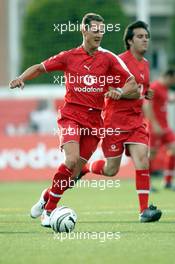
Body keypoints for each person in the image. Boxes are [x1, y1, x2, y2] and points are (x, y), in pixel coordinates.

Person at [9, 13, 137, 227]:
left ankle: (46, 197)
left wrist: (120, 91)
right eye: (95, 29)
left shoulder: (108, 59)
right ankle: (48, 212)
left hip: (95, 121)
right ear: (84, 30)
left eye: (102, 30)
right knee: (70, 160)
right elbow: (40, 68)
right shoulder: (69, 57)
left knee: (73, 174)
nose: (99, 34)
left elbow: (133, 84)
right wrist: (22, 78)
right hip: (71, 116)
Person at [77, 20, 162, 222]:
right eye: (140, 37)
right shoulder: (117, 62)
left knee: (142, 159)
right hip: (114, 122)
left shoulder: (147, 65)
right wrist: (118, 92)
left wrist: (146, 93)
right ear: (130, 41)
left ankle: (144, 211)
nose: (145, 40)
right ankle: (85, 168)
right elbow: (104, 87)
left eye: (147, 37)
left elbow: (142, 89)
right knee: (111, 170)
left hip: (136, 122)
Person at [144, 69, 175, 189]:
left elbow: (163, 102)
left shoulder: (165, 88)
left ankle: (167, 181)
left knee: (173, 149)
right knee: (151, 154)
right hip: (154, 127)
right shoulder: (154, 86)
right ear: (168, 76)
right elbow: (146, 106)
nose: (173, 82)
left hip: (165, 127)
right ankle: (147, 183)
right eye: (173, 79)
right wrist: (154, 124)